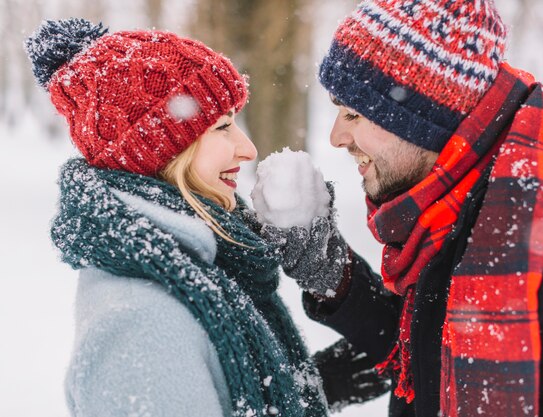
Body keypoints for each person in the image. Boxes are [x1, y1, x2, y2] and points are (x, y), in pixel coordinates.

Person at [261, 1, 543, 416]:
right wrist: (336, 276)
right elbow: (431, 348)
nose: (336, 137)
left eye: (354, 114)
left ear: (423, 120)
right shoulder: (458, 205)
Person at [25, 18, 329, 417]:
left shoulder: (195, 267)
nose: (248, 149)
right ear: (160, 151)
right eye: (222, 127)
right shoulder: (140, 325)